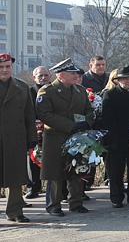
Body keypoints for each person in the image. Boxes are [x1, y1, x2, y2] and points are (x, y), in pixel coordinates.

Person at [36, 59, 95, 216]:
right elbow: (44, 114)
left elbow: (89, 110)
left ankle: (76, 202)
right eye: (73, 74)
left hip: (77, 137)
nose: (76, 76)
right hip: (56, 137)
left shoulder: (80, 91)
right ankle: (53, 205)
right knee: (55, 173)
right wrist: (69, 125)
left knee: (77, 169)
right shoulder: (47, 91)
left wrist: (86, 123)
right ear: (61, 75)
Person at [0, 54, 38, 223]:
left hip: (15, 138)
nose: (4, 70)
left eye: (7, 66)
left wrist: (32, 138)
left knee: (15, 177)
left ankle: (15, 211)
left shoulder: (22, 87)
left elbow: (29, 115)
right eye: (1, 67)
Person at [101, 66, 129, 207]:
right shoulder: (110, 94)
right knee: (115, 170)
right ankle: (116, 197)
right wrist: (111, 140)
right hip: (117, 139)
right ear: (117, 80)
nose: (128, 81)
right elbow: (107, 119)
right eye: (124, 79)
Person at [26, 66, 51, 199]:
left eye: (46, 75)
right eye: (40, 75)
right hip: (35, 131)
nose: (43, 78)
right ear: (34, 77)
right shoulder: (28, 92)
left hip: (52, 131)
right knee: (33, 160)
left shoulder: (54, 91)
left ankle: (58, 191)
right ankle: (34, 188)